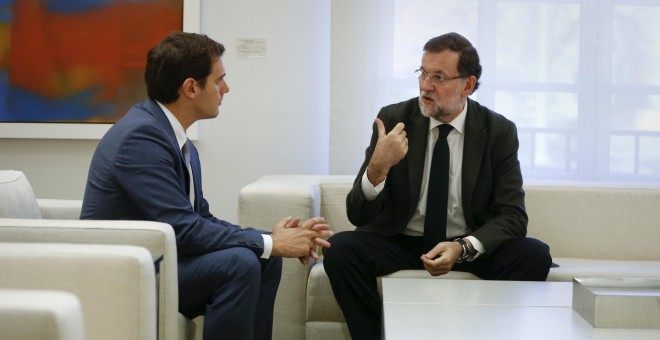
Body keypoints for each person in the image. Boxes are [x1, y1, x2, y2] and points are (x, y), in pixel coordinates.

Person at [80, 31, 333, 340]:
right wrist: (269, 242)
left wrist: (269, 240)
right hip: (124, 269)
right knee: (239, 263)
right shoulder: (140, 139)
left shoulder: (173, 137)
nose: (226, 89)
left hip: (162, 258)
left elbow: (200, 219)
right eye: (218, 80)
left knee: (265, 260)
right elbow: (184, 229)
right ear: (190, 87)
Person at [323, 32, 553, 339]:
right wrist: (378, 168)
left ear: (468, 85)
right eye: (423, 73)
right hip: (402, 242)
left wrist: (462, 248)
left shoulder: (498, 131)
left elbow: (513, 216)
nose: (425, 85)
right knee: (339, 249)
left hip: (465, 245)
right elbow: (358, 215)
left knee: (535, 255)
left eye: (439, 77)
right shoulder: (394, 119)